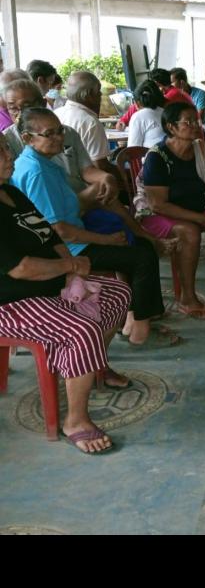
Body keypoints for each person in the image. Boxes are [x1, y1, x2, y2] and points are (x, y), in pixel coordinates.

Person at [0, 133, 133, 453]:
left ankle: (90, 364)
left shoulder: (11, 192)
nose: (9, 156)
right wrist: (70, 266)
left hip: (49, 285)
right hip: (11, 302)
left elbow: (49, 235)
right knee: (81, 329)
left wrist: (70, 268)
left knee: (117, 293)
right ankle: (75, 420)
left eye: (5, 149)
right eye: (1, 152)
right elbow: (20, 269)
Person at [11, 108, 165, 346]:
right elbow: (59, 230)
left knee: (138, 243)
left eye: (60, 131)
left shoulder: (43, 162)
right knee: (142, 256)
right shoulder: (37, 172)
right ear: (27, 138)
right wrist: (107, 240)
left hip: (73, 237)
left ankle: (134, 320)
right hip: (67, 249)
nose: (58, 138)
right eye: (49, 134)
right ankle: (140, 331)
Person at [3, 80, 172, 258]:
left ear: (42, 103)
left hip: (74, 196)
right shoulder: (8, 143)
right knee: (135, 254)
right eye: (13, 108)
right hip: (44, 206)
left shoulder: (65, 132)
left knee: (104, 189)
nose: (20, 113)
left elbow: (87, 169)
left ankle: (142, 237)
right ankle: (141, 241)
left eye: (27, 106)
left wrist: (105, 177)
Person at [137, 102, 205, 320]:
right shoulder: (158, 157)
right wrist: (202, 219)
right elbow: (157, 204)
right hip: (155, 215)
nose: (196, 125)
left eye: (197, 120)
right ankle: (187, 298)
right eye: (189, 122)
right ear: (171, 127)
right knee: (190, 232)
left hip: (191, 211)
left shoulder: (199, 151)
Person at [54, 71, 117, 178]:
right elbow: (100, 166)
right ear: (89, 95)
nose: (101, 95)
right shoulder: (90, 122)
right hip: (84, 183)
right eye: (98, 91)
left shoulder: (55, 114)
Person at [115, 68, 195, 129]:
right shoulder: (175, 92)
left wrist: (124, 120)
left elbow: (148, 105)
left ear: (157, 85)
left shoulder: (172, 96)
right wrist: (124, 120)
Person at [126, 80, 166, 149]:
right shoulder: (165, 111)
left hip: (154, 155)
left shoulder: (138, 117)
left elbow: (132, 149)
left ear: (137, 103)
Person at [169, 67, 205, 134]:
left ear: (182, 82)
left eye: (172, 82)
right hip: (182, 125)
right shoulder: (173, 95)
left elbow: (199, 118)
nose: (170, 85)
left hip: (201, 125)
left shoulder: (201, 94)